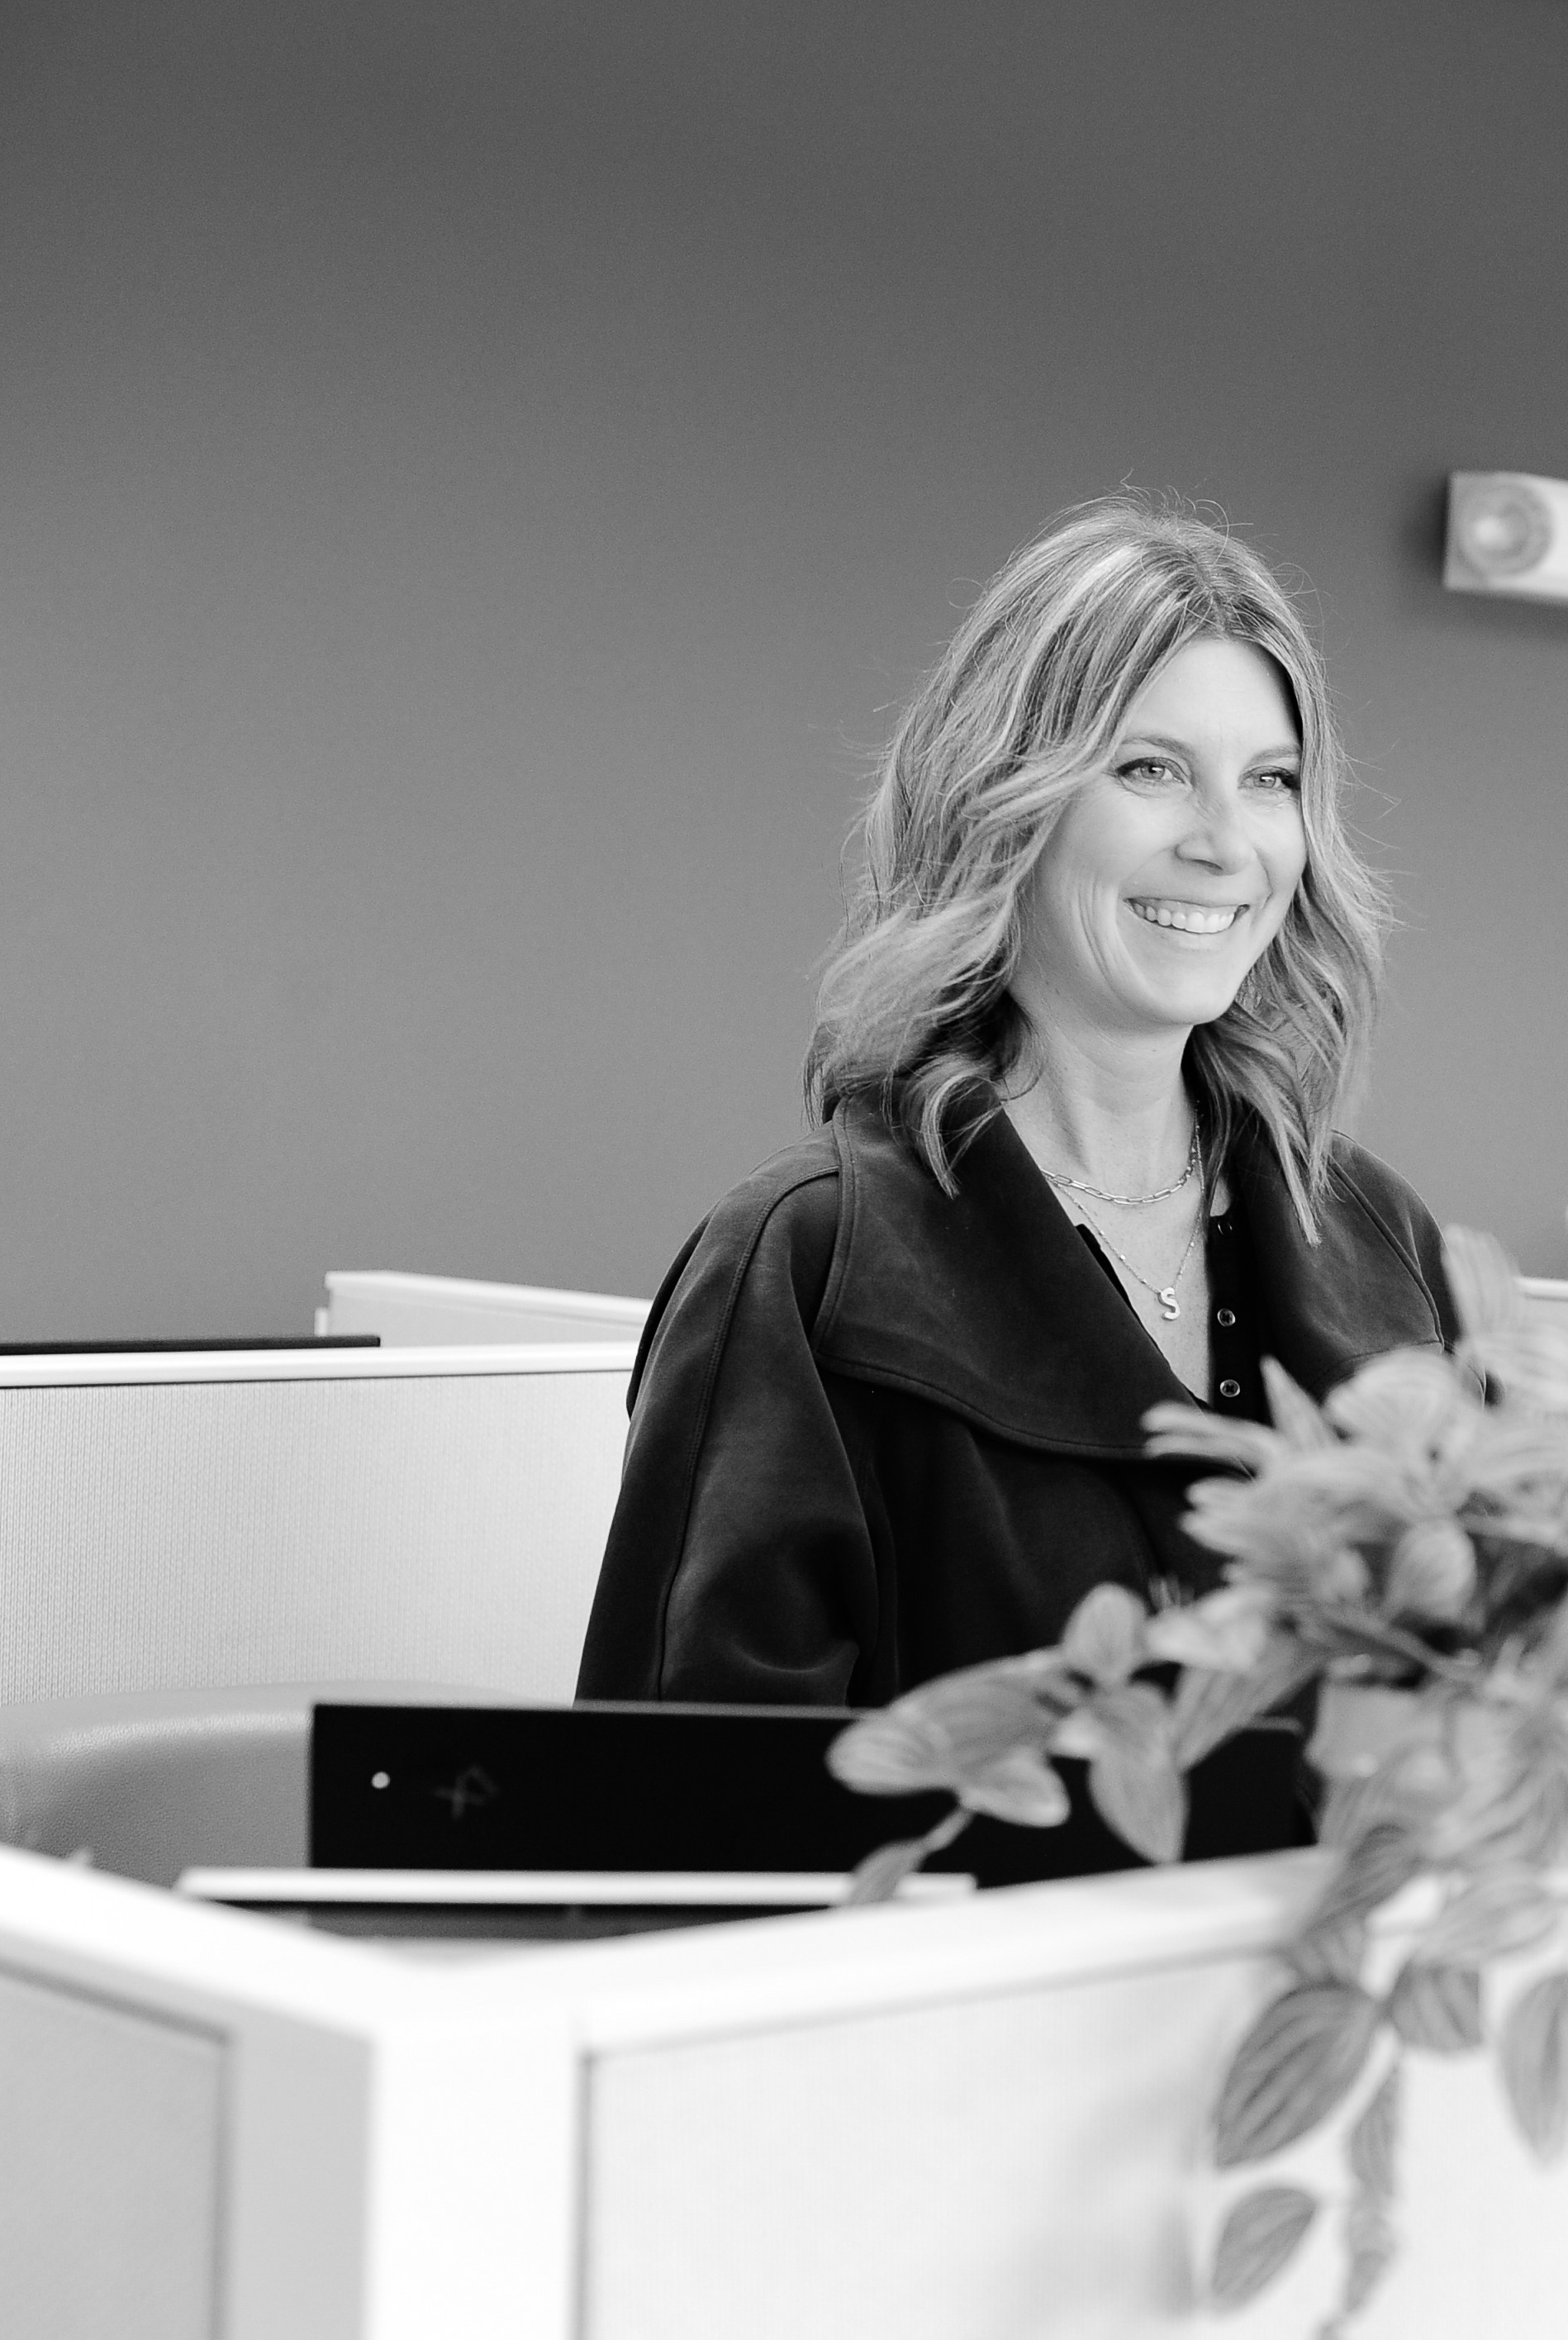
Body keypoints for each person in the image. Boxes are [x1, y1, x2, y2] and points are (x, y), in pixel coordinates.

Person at [579, 500, 1454, 1705]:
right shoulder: (806, 1266)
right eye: (1151, 770)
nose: (1225, 841)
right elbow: (690, 1822)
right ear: (1005, 797)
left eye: (1270, 781)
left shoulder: (1376, 1238)